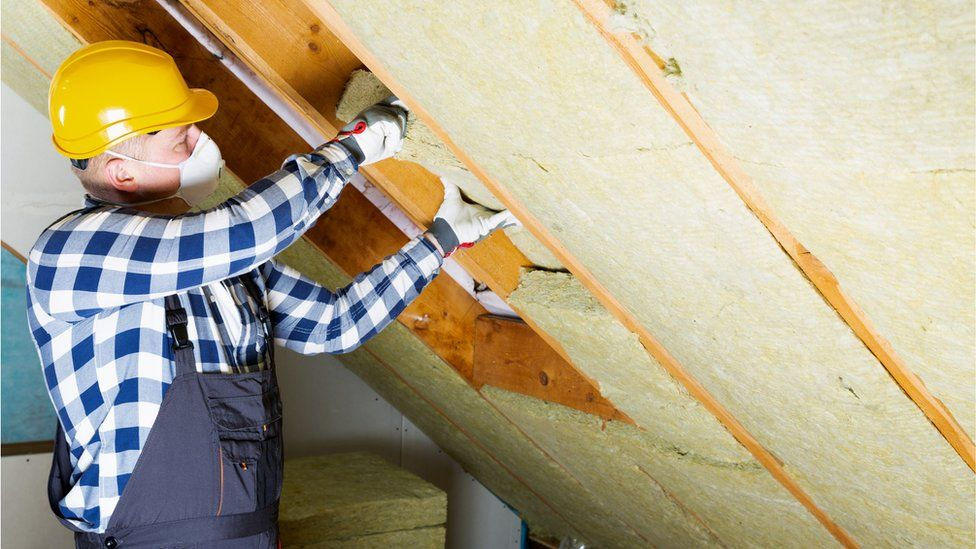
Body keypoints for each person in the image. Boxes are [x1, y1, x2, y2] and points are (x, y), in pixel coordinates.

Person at [27, 40, 516, 548]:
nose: (200, 139)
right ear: (122, 172)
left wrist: (441, 241)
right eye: (181, 137)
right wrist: (353, 149)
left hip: (250, 531)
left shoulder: (219, 262)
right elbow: (245, 231)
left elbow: (333, 324)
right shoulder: (71, 252)